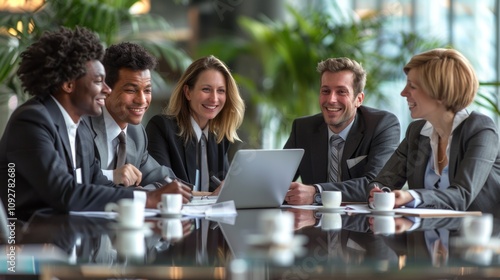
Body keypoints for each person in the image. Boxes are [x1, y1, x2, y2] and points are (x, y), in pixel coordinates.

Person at [0, 27, 191, 220]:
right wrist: (146, 198)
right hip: (26, 241)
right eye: (99, 81)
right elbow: (65, 193)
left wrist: (151, 196)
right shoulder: (32, 121)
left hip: (69, 237)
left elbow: (98, 184)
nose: (107, 90)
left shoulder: (80, 129)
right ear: (69, 84)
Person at [367, 48, 500, 215]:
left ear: (440, 93)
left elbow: (462, 196)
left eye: (412, 86)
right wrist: (379, 193)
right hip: (427, 235)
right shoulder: (416, 132)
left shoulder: (480, 130)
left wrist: (411, 196)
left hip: (479, 238)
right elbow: (382, 182)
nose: (403, 93)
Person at [283, 57, 400, 205]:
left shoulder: (382, 125)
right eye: (326, 91)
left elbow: (375, 184)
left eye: (341, 92)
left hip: (363, 224)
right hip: (313, 223)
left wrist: (317, 192)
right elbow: (277, 182)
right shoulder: (303, 128)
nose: (331, 99)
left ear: (359, 99)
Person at [146, 55, 245, 194]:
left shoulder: (219, 137)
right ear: (188, 92)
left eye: (221, 91)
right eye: (206, 89)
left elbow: (223, 188)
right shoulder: (161, 127)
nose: (214, 98)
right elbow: (163, 188)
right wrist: (212, 195)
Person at [85, 42, 176, 188]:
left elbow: (165, 180)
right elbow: (74, 178)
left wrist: (139, 194)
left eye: (147, 90)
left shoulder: (136, 133)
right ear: (106, 89)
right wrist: (112, 176)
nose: (142, 100)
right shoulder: (83, 126)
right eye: (131, 90)